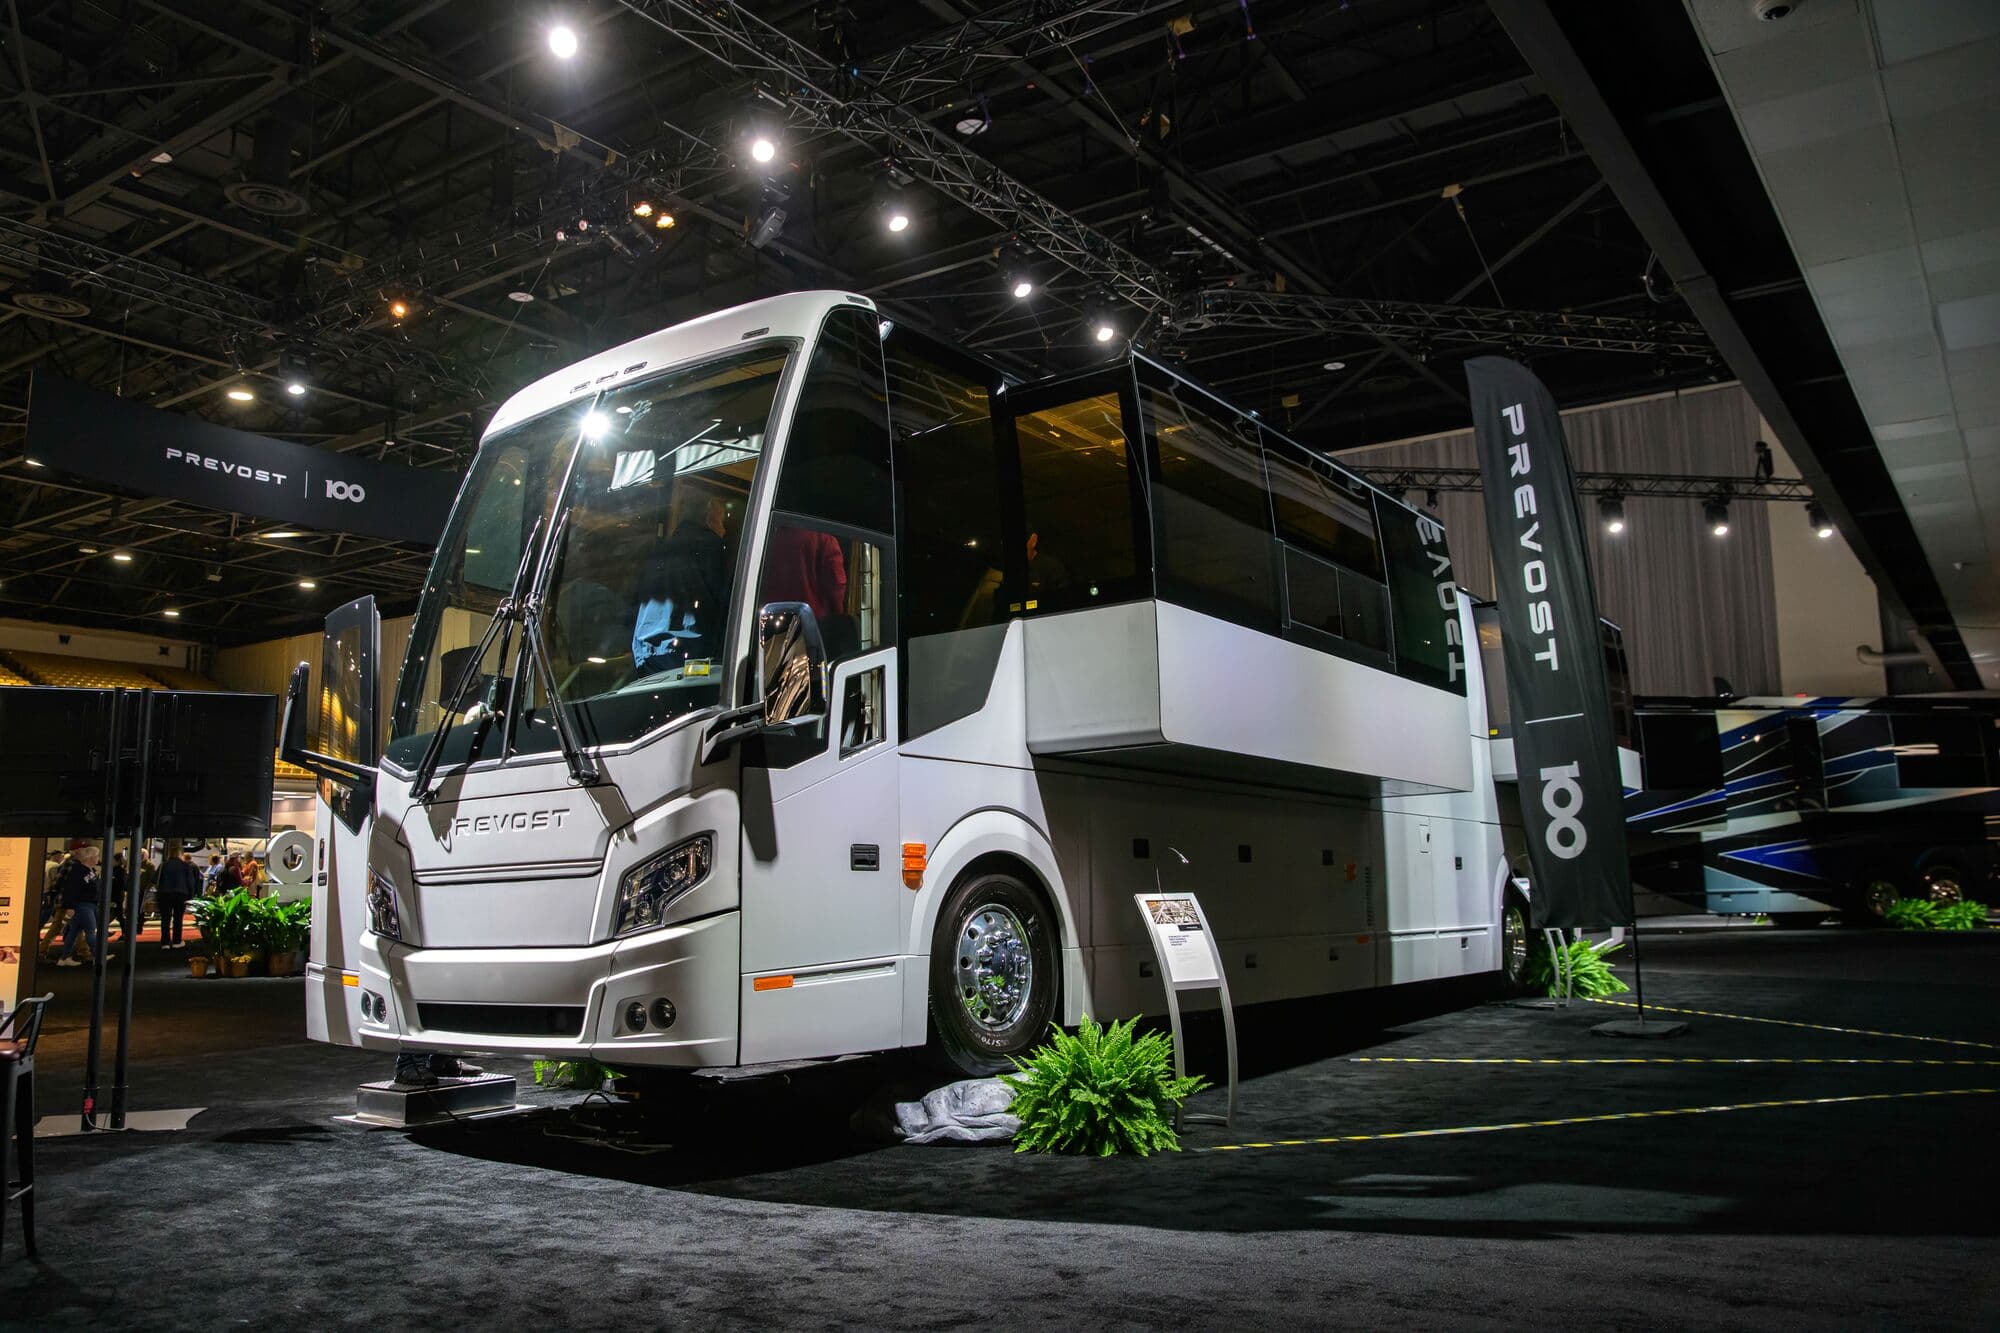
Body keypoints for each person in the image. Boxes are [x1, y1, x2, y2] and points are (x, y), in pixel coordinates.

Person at [632, 494, 731, 675]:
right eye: (721, 522)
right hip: (690, 660)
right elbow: (725, 605)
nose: (724, 530)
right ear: (708, 519)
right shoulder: (711, 547)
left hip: (646, 657)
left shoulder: (660, 550)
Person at [53, 842, 104, 968]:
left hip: (85, 905)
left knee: (73, 932)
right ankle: (98, 957)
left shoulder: (88, 870)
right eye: (96, 856)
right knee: (90, 931)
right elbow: (72, 888)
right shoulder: (79, 870)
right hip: (83, 905)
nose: (98, 859)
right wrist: (69, 906)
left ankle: (64, 958)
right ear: (90, 858)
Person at [156, 849, 201, 949]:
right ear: (180, 855)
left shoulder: (163, 865)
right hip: (181, 895)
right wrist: (190, 897)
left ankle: (165, 942)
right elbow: (191, 882)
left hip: (165, 894)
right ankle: (177, 941)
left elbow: (155, 880)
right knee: (178, 919)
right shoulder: (185, 866)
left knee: (165, 919)